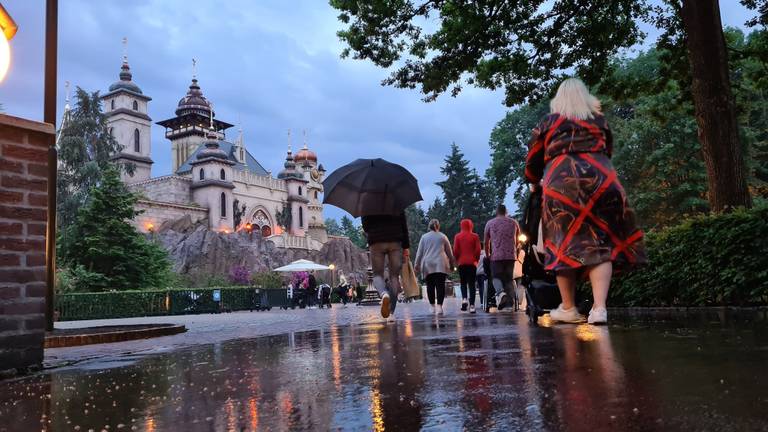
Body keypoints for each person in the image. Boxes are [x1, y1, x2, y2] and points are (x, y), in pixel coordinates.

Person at [525, 77, 646, 325]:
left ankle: (568, 307)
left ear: (558, 100)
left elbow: (533, 162)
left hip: (563, 185)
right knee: (599, 245)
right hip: (602, 181)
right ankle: (599, 309)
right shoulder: (599, 121)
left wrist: (534, 180)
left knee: (562, 242)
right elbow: (608, 150)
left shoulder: (549, 122)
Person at [361, 212, 410, 318]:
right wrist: (406, 246)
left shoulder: (367, 198)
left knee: (377, 274)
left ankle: (384, 294)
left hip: (376, 240)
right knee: (394, 277)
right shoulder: (397, 198)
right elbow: (403, 224)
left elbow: (365, 226)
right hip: (395, 240)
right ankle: (391, 311)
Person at [414, 219, 455, 315]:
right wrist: (452, 264)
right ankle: (440, 306)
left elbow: (419, 252)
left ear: (429, 226)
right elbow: (449, 252)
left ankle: (432, 306)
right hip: (440, 263)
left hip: (428, 264)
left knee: (430, 286)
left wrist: (417, 264)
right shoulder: (443, 236)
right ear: (438, 226)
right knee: (440, 285)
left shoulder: (424, 237)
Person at [483, 204, 520, 311]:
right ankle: (510, 302)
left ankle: (500, 293)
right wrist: (515, 251)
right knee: (509, 278)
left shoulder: (490, 223)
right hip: (510, 255)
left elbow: (486, 242)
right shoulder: (514, 223)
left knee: (496, 277)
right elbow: (518, 241)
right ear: (506, 211)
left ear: (497, 211)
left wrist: (487, 254)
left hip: (496, 256)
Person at [453, 219, 481, 313]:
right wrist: (476, 260)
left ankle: (464, 299)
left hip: (462, 263)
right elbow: (478, 250)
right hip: (472, 263)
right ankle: (472, 306)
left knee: (463, 282)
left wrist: (457, 260)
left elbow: (456, 250)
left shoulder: (457, 236)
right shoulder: (475, 236)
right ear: (471, 226)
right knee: (472, 284)